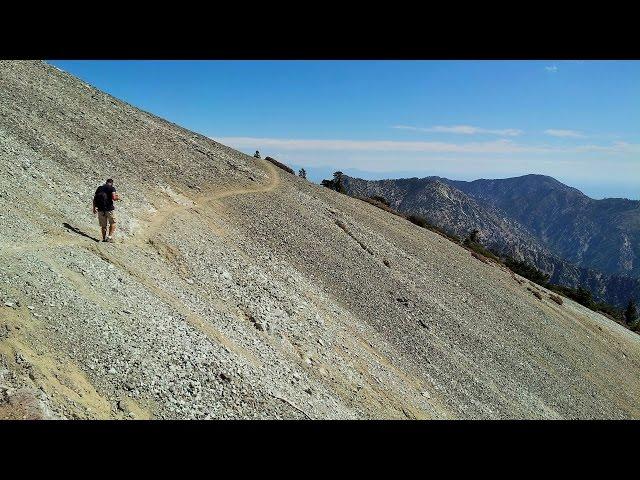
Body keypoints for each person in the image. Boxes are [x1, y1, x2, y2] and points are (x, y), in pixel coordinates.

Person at [93, 178, 120, 242]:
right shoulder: (112, 188)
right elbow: (114, 198)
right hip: (109, 209)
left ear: (106, 182)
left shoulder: (99, 188)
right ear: (112, 183)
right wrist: (118, 198)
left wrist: (94, 208)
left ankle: (104, 239)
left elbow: (94, 199)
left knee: (103, 225)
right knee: (113, 223)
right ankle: (109, 237)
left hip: (100, 209)